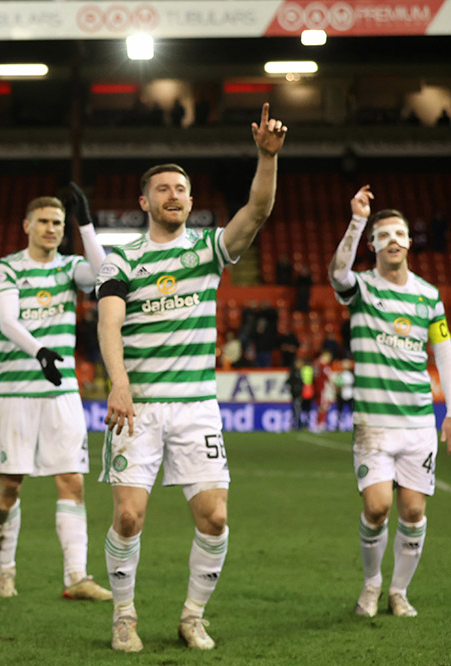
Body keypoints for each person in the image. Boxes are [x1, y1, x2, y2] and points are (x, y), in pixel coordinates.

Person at [96, 104, 287, 651]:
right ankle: (124, 616)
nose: (173, 196)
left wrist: (266, 159)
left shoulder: (208, 250)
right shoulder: (121, 260)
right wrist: (119, 380)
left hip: (197, 406)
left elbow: (257, 211)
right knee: (129, 518)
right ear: (144, 201)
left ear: (190, 200)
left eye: (181, 189)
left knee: (215, 517)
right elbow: (110, 321)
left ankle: (192, 616)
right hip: (140, 407)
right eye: (162, 189)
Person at [327, 185, 451, 618]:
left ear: (409, 241)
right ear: (374, 245)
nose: (393, 241)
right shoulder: (361, 288)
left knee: (413, 511)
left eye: (399, 234)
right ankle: (371, 584)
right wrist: (358, 219)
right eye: (383, 236)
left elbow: (443, 351)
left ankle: (398, 591)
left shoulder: (429, 296)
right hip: (374, 426)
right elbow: (337, 274)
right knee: (377, 508)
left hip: (418, 423)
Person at [0, 185, 111, 602]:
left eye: (58, 222)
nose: (52, 228)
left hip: (62, 392)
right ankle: (6, 571)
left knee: (72, 481)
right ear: (27, 226)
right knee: (11, 485)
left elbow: (105, 278)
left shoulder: (70, 267)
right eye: (44, 221)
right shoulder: (8, 268)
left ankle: (76, 576)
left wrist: (87, 224)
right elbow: (7, 320)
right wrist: (40, 351)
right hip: (18, 390)